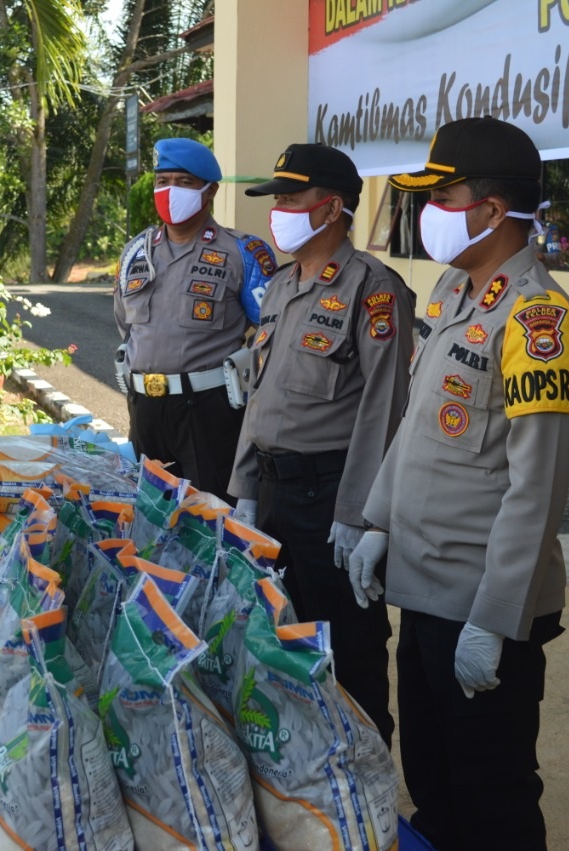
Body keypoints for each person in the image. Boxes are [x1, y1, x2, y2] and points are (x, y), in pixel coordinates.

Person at [349, 116, 569, 851]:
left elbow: (536, 485)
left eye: (443, 195)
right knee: (433, 783)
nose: (430, 211)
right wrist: (379, 523)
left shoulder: (539, 317)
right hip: (424, 593)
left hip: (480, 607)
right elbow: (419, 426)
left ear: (489, 211)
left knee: (493, 800)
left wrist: (497, 615)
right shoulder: (457, 292)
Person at [228, 142, 414, 746]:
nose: (276, 210)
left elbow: (383, 410)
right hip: (276, 496)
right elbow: (261, 399)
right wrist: (245, 493)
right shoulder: (281, 287)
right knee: (284, 648)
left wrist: (359, 513)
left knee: (350, 660)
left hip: (330, 500)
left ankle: (366, 789)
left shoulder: (374, 290)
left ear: (331, 208)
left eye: (289, 198)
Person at [113, 137, 277, 501]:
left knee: (212, 518)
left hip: (208, 410)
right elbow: (127, 326)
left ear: (211, 190)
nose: (170, 191)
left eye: (184, 182)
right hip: (145, 410)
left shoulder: (242, 253)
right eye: (162, 181)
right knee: (149, 516)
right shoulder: (136, 252)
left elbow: (273, 331)